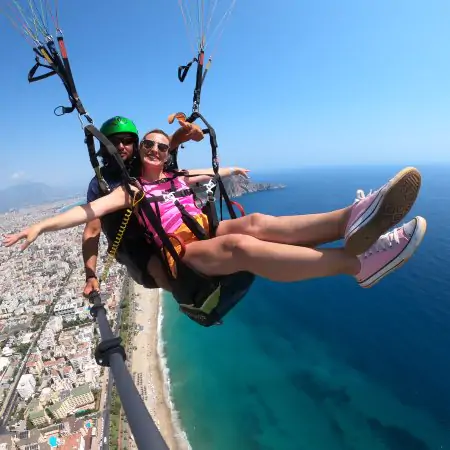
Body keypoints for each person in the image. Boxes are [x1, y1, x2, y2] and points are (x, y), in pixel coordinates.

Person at [3, 128, 426, 290]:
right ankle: (357, 264)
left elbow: (205, 172)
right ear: (139, 154)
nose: (153, 150)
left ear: (168, 153)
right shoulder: (129, 190)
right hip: (180, 256)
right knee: (240, 247)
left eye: (160, 146)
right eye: (147, 146)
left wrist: (233, 167)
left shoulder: (177, 176)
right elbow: (85, 212)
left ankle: (352, 218)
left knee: (256, 221)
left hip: (203, 233)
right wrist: (41, 226)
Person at [82, 115, 204, 296]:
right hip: (131, 246)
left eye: (127, 141)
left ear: (136, 144)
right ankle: (191, 302)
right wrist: (90, 275)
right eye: (114, 142)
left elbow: (169, 143)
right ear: (104, 146)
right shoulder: (101, 184)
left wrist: (188, 131)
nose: (121, 146)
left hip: (160, 232)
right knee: (160, 269)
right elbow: (92, 230)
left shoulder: (145, 165)